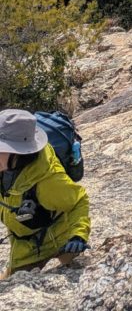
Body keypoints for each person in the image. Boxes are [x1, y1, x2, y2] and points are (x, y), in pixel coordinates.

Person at [0, 109, 90, 279]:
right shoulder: (5, 166)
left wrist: (78, 235)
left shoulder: (48, 181)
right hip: (24, 248)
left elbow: (79, 201)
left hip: (62, 241)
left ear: (17, 152)